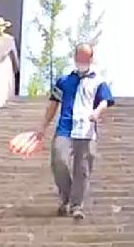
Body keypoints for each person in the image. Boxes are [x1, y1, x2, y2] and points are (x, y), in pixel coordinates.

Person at [15, 44, 111, 219]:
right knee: (59, 160)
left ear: (91, 59)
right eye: (79, 57)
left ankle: (76, 206)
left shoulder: (99, 81)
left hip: (86, 131)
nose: (82, 61)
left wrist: (97, 112)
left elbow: (105, 101)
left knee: (82, 169)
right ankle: (66, 197)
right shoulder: (64, 81)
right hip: (65, 128)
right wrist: (43, 126)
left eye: (85, 58)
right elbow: (53, 104)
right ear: (74, 57)